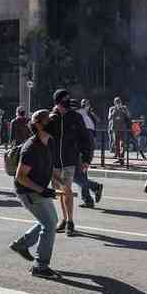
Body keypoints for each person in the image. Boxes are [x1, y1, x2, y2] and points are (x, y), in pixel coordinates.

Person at [9, 109, 64, 279]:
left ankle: (22, 244)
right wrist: (43, 190)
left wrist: (59, 182)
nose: (53, 122)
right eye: (49, 120)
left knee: (50, 221)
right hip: (27, 192)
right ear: (38, 125)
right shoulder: (30, 148)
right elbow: (20, 177)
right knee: (49, 224)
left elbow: (49, 166)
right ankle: (40, 266)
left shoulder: (50, 141)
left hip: (39, 189)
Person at [46, 89, 93, 237]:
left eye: (67, 101)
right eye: (62, 102)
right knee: (61, 191)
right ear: (57, 103)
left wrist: (86, 159)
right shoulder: (50, 118)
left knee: (66, 189)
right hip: (54, 163)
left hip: (69, 161)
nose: (65, 105)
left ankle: (70, 222)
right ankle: (64, 219)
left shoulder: (76, 117)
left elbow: (86, 139)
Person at [75, 99, 104, 208]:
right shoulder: (86, 117)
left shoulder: (79, 117)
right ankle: (88, 199)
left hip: (81, 151)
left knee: (77, 175)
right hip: (86, 150)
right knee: (81, 175)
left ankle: (94, 188)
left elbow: (85, 138)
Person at [108, 97, 131, 164]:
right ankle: (119, 158)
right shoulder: (111, 108)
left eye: (119, 102)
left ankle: (122, 159)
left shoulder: (124, 108)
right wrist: (113, 112)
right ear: (114, 103)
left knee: (122, 144)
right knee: (116, 144)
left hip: (122, 129)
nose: (118, 103)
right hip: (115, 128)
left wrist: (124, 111)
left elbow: (129, 116)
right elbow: (109, 118)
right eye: (116, 102)